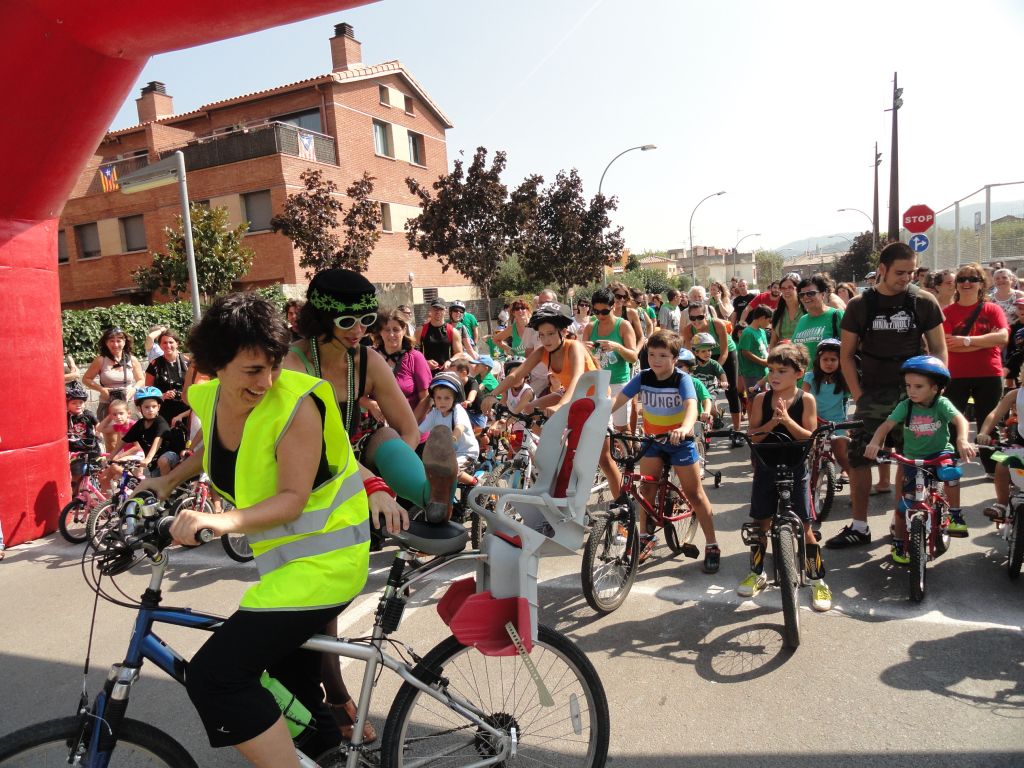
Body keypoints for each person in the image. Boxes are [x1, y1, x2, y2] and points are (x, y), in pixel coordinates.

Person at [138, 291, 407, 767]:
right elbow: (214, 451)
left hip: (327, 566)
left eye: (274, 366)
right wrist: (164, 482)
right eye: (252, 370)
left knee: (216, 677)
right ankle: (330, 753)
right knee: (295, 691)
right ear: (216, 366)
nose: (266, 381)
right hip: (286, 569)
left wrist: (218, 522)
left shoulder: (295, 405)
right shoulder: (214, 396)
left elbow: (292, 500)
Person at [285, 269, 453, 523]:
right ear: (321, 318)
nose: (358, 330)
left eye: (366, 319)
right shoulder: (291, 364)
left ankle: (430, 495)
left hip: (358, 454)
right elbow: (317, 445)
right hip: (308, 458)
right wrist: (370, 484)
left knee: (386, 436)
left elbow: (410, 431)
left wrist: (390, 479)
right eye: (346, 322)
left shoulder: (368, 361)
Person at [827, 241, 947, 549]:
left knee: (910, 462)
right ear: (881, 270)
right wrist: (859, 395)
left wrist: (935, 393)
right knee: (859, 460)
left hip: (915, 396)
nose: (906, 278)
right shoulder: (859, 305)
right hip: (874, 395)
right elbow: (847, 355)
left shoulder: (924, 301)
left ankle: (901, 524)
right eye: (899, 272)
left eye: (911, 272)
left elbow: (938, 349)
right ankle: (859, 525)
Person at [736, 342, 833, 612]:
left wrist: (788, 421)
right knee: (760, 523)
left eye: (782, 370)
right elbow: (753, 435)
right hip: (766, 466)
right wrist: (772, 423)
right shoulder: (760, 399)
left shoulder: (806, 399)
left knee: (806, 526)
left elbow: (809, 439)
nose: (775, 376)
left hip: (796, 467)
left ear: (799, 373)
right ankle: (757, 573)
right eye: (771, 370)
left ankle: (817, 580)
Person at [612, 330, 720, 570]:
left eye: (663, 355)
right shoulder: (643, 377)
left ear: (674, 358)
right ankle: (645, 536)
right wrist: (600, 417)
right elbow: (619, 398)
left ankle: (712, 543)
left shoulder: (682, 379)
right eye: (651, 354)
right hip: (653, 441)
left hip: (679, 441)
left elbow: (691, 406)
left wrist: (684, 427)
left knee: (694, 494)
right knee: (646, 490)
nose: (656, 360)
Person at [864, 356, 976, 560]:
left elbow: (961, 420)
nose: (911, 391)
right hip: (913, 458)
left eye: (918, 386)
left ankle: (956, 515)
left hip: (940, 453)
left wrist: (962, 439)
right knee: (903, 505)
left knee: (950, 473)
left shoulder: (941, 404)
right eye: (908, 385)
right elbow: (886, 425)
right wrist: (874, 442)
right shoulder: (905, 406)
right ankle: (898, 543)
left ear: (936, 388)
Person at [942, 263, 1008, 477]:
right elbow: (949, 343)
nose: (967, 283)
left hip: (989, 373)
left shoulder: (993, 309)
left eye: (973, 279)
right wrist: (986, 341)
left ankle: (993, 471)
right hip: (956, 375)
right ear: (957, 285)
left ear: (981, 284)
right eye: (962, 279)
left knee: (989, 425)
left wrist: (968, 340)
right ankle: (949, 467)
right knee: (952, 422)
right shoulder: (948, 312)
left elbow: (1003, 338)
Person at [583, 288, 639, 435]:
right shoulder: (590, 327)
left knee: (621, 428)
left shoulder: (623, 325)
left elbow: (633, 357)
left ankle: (627, 454)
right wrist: (583, 349)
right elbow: (583, 360)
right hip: (598, 385)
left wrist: (618, 347)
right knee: (602, 430)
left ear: (613, 306)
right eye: (596, 312)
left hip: (618, 384)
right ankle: (610, 457)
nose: (600, 315)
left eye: (605, 312)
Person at [682, 301, 742, 436]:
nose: (696, 321)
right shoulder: (688, 330)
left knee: (731, 390)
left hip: (723, 353)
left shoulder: (717, 324)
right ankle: (710, 419)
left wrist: (716, 371)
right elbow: (689, 353)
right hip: (700, 354)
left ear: (706, 315)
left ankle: (737, 430)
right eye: (692, 318)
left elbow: (725, 351)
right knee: (701, 388)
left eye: (700, 317)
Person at [803, 339, 852, 480]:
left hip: (837, 422)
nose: (829, 363)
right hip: (814, 421)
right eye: (825, 359)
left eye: (833, 359)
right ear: (818, 360)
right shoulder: (810, 377)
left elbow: (857, 395)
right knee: (809, 452)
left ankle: (849, 474)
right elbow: (802, 397)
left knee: (842, 454)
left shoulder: (844, 379)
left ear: (840, 361)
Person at [419, 372, 479, 487]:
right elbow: (419, 431)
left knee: (452, 470)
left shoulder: (457, 410)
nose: (442, 402)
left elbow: (459, 427)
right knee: (430, 471)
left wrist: (453, 438)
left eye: (447, 398)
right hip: (446, 453)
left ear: (454, 398)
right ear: (434, 399)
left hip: (466, 451)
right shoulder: (435, 413)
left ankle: (474, 482)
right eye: (439, 398)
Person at [373, 307, 432, 421]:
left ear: (404, 330)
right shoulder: (371, 357)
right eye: (386, 330)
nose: (391, 335)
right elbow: (357, 392)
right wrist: (371, 405)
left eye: (396, 329)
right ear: (380, 332)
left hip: (413, 429)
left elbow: (426, 399)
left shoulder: (415, 358)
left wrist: (410, 426)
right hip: (381, 431)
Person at [977, 384, 1024, 522]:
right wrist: (983, 433)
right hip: (1020, 441)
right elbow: (995, 413)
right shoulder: (1016, 394)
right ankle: (1001, 504)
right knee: (1001, 463)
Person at [83, 326, 145, 421]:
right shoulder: (101, 360)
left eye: (119, 341)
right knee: (110, 435)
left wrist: (134, 389)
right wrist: (102, 390)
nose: (115, 344)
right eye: (111, 341)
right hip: (107, 404)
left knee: (131, 434)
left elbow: (141, 379)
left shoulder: (132, 360)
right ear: (106, 343)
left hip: (128, 403)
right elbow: (86, 379)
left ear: (124, 342)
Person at [114, 386, 177, 477]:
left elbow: (157, 440)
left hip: (171, 457)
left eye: (154, 406)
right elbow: (124, 441)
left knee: (163, 461)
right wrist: (112, 456)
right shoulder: (140, 424)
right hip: (154, 465)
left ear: (158, 407)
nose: (150, 410)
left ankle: (167, 487)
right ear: (140, 409)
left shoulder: (160, 422)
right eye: (147, 407)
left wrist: (148, 458)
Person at [791, 274, 844, 370]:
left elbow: (849, 350)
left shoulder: (836, 315)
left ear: (823, 294)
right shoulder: (802, 320)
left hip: (828, 382)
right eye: (801, 295)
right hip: (802, 381)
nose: (805, 297)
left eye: (811, 293)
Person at [145, 329, 191, 424]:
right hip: (165, 410)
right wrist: (162, 395)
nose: (168, 346)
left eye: (171, 342)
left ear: (177, 343)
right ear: (160, 345)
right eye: (164, 343)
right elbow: (148, 391)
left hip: (187, 409)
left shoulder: (188, 362)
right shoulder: (154, 364)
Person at [66, 380, 98, 496]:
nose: (78, 405)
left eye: (80, 402)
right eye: (74, 403)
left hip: (89, 447)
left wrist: (98, 433)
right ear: (67, 405)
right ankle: (74, 497)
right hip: (73, 448)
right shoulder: (66, 417)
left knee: (86, 471)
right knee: (75, 474)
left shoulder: (88, 414)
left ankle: (86, 491)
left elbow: (97, 425)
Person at [738, 305, 772, 402]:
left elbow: (765, 349)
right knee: (754, 399)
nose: (769, 324)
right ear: (762, 318)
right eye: (768, 321)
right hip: (752, 373)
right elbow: (745, 352)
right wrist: (762, 362)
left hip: (764, 371)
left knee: (764, 399)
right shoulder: (748, 332)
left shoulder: (762, 331)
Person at [418, 298, 463, 369]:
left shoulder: (453, 331)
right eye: (435, 308)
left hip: (445, 373)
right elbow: (413, 353)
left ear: (445, 311)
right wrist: (425, 362)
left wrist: (450, 361)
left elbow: (459, 353)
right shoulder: (421, 330)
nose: (438, 311)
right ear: (430, 310)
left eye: (441, 309)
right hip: (425, 371)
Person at [768, 273, 805, 347]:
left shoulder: (806, 310)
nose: (786, 291)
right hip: (782, 356)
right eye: (783, 288)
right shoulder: (777, 313)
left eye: (790, 287)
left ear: (797, 289)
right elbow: (773, 340)